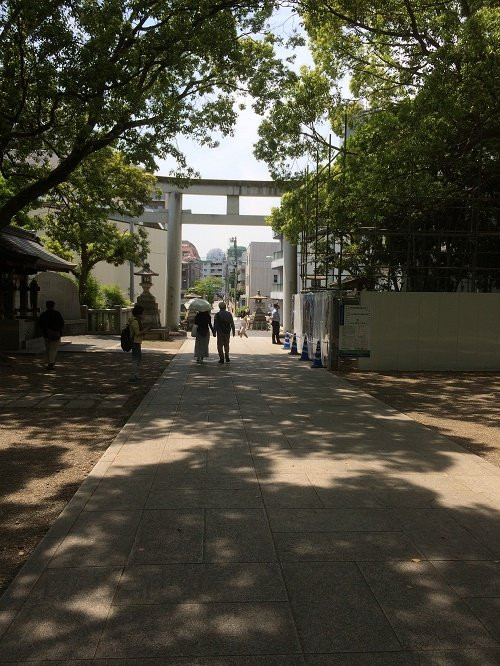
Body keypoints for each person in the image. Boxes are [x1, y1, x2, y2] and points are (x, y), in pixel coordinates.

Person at [38, 300, 64, 370]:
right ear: (53, 306)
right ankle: (51, 363)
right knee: (53, 349)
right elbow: (62, 323)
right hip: (56, 334)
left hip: (46, 334)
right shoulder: (57, 314)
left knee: (48, 348)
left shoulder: (43, 314)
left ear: (46, 306)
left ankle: (49, 362)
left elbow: (40, 324)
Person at [128, 304, 148, 382]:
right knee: (136, 359)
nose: (144, 314)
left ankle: (135, 374)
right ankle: (132, 376)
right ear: (139, 313)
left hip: (137, 342)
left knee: (138, 358)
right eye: (143, 313)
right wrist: (146, 330)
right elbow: (137, 333)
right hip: (135, 342)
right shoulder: (135, 321)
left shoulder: (136, 320)